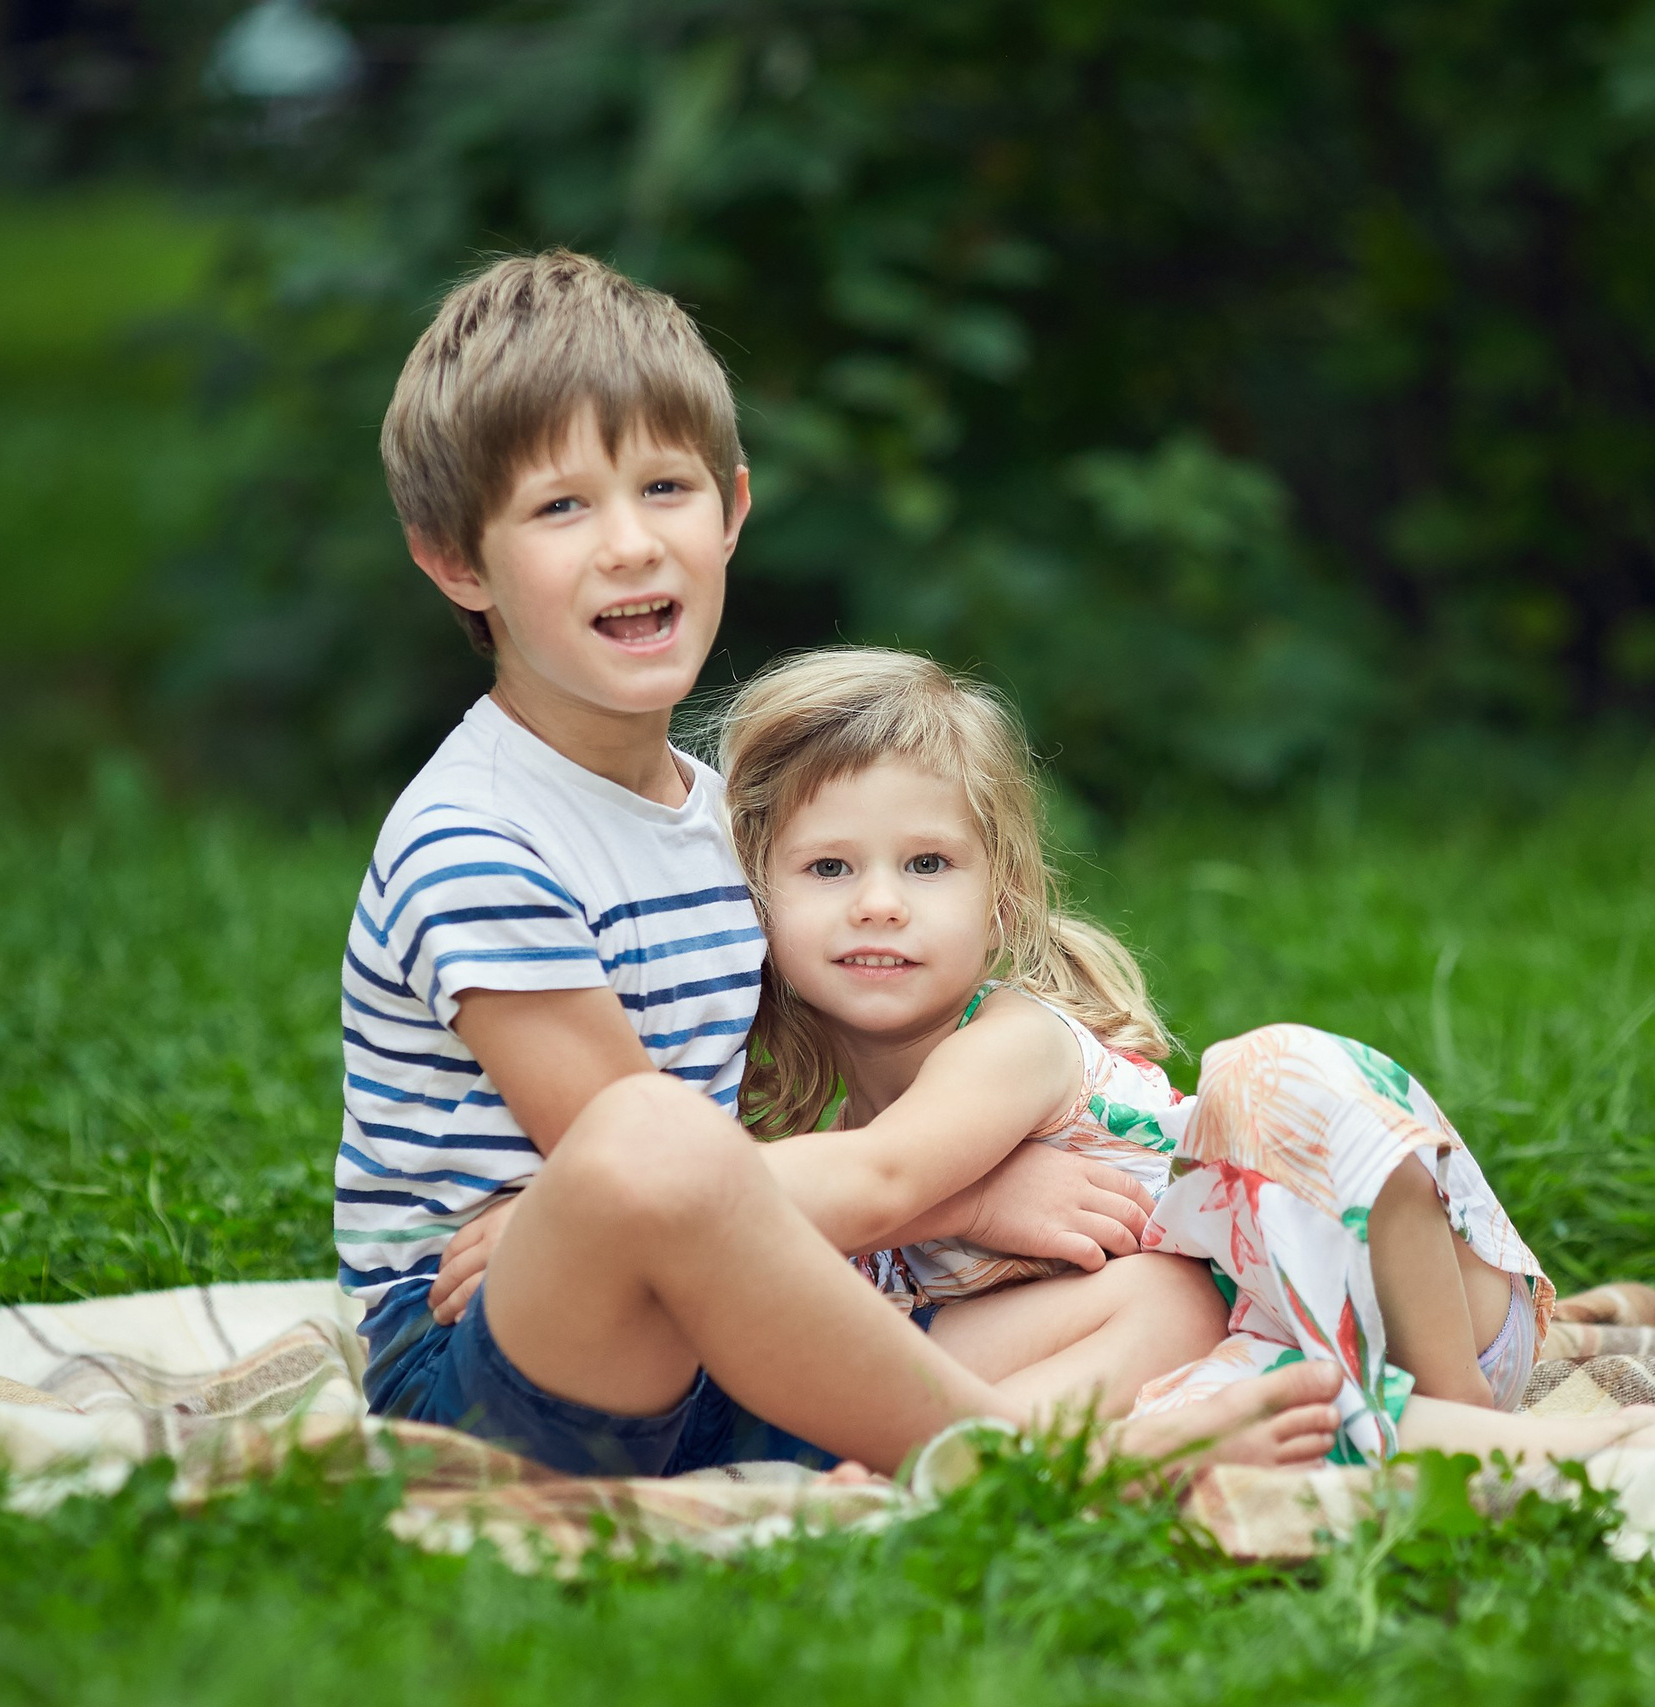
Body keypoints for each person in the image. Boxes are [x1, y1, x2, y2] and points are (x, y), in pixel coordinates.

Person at [337, 249, 1348, 1479]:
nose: (628, 545)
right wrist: (958, 1205)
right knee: (651, 1135)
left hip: (713, 1327)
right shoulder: (478, 841)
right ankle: (1032, 1458)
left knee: (1165, 1295)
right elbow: (654, 1173)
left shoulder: (720, 824)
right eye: (561, 507)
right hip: (496, 1365)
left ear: (733, 511)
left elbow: (741, 1178)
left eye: (664, 487)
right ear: (455, 559)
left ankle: (950, 1441)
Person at [713, 647, 1655, 1462]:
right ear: (754, 896)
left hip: (1405, 1299)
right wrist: (967, 1207)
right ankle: (999, 1458)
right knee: (1177, 1369)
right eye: (828, 866)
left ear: (1001, 898)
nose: (878, 901)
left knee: (1269, 1067)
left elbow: (869, 1181)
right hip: (1236, 1371)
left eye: (925, 864)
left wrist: (948, 1203)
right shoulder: (822, 1129)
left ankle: (1467, 1429)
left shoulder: (1005, 1044)